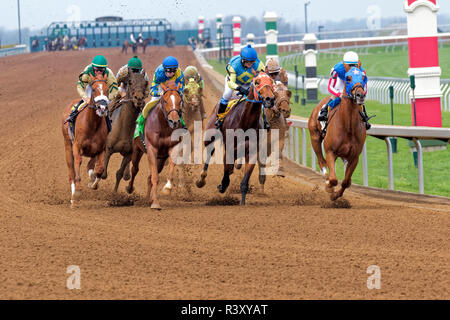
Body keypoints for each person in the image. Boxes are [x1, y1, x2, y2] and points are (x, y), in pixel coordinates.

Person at [215, 44, 266, 129]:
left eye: (252, 62)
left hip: (248, 83)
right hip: (233, 81)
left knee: (259, 97)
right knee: (227, 94)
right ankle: (220, 117)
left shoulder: (259, 65)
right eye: (248, 62)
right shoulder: (234, 65)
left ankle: (265, 120)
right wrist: (240, 89)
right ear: (243, 60)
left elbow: (262, 78)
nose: (250, 65)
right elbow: (231, 83)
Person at [134, 56, 185, 139]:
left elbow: (181, 88)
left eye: (173, 71)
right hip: (161, 88)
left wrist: (177, 94)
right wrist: (159, 93)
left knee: (178, 104)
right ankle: (140, 124)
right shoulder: (159, 73)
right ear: (164, 69)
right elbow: (152, 90)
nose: (171, 73)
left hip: (173, 88)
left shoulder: (179, 73)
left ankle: (182, 123)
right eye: (169, 71)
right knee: (149, 105)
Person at [318, 51, 371, 130]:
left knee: (359, 98)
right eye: (350, 65)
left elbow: (365, 88)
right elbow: (330, 87)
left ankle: (364, 117)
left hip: (353, 83)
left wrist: (358, 95)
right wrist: (339, 94)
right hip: (341, 80)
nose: (352, 68)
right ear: (344, 64)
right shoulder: (336, 70)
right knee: (336, 96)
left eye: (355, 65)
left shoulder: (361, 72)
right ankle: (324, 110)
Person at [65, 55, 118, 132]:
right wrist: (86, 98)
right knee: (81, 106)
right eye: (96, 70)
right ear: (93, 67)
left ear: (105, 69)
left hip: (103, 91)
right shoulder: (87, 71)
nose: (99, 72)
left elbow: (114, 90)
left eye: (101, 70)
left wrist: (106, 99)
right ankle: (73, 116)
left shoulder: (109, 74)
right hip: (90, 88)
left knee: (106, 112)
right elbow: (80, 86)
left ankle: (108, 127)